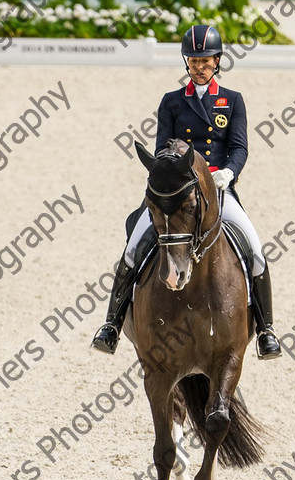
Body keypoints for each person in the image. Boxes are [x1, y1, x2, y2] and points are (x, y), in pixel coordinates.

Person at [91, 25, 282, 360]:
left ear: (217, 61)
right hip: (177, 191)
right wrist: (175, 163)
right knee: (134, 247)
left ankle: (266, 331)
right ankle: (111, 324)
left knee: (255, 249)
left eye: (205, 60)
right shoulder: (172, 102)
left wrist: (227, 172)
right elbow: (163, 148)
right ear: (187, 63)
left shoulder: (232, 101)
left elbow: (239, 147)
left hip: (219, 190)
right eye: (193, 61)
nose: (199, 66)